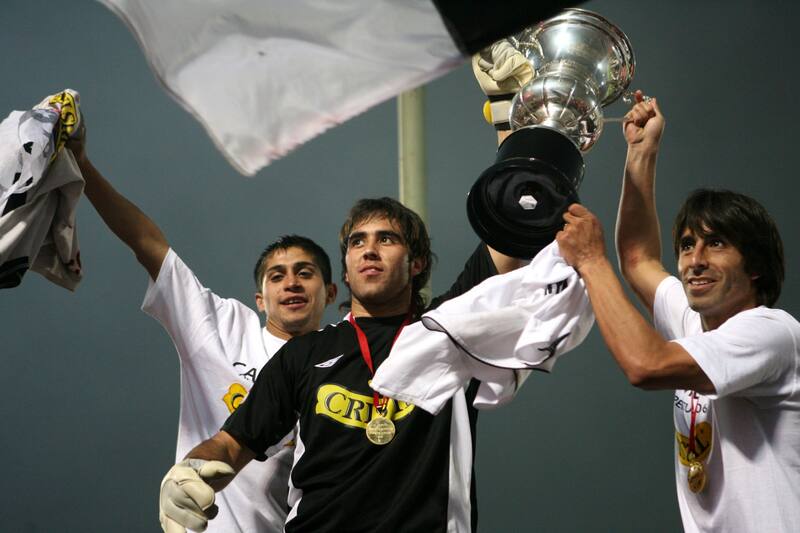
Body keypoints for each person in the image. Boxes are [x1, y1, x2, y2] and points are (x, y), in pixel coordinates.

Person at [158, 197, 528, 533]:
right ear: (347, 273)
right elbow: (230, 444)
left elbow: (512, 223)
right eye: (357, 242)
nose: (369, 250)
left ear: (416, 264)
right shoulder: (304, 354)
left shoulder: (450, 331)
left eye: (386, 239)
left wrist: (515, 134)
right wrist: (188, 472)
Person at [67, 131, 337, 532]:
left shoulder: (346, 357)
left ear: (330, 292)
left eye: (305, 273)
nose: (291, 283)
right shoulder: (222, 326)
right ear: (260, 300)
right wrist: (83, 166)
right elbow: (148, 245)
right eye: (276, 276)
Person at [555, 95, 800, 532]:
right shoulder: (694, 324)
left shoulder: (770, 332)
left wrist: (591, 260)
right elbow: (637, 258)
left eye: (716, 244)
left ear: (756, 265)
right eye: (687, 245)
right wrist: (641, 151)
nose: (695, 260)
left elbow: (646, 365)